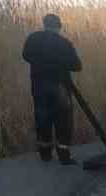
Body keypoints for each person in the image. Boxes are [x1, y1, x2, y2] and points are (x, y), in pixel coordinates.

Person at [22, 13, 84, 165]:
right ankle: (64, 156)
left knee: (42, 118)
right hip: (60, 86)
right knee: (63, 120)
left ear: (44, 24)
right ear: (59, 26)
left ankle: (45, 155)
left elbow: (25, 55)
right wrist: (60, 63)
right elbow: (77, 66)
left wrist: (41, 61)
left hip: (39, 86)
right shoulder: (65, 43)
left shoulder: (33, 38)